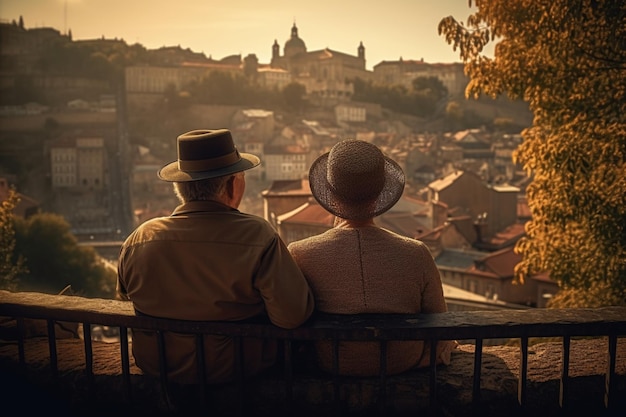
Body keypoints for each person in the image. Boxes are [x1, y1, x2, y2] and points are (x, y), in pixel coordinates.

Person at [117, 129, 315, 385]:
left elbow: (123, 296)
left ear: (181, 188)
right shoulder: (257, 235)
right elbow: (293, 316)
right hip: (237, 368)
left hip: (159, 366)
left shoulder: (140, 238)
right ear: (233, 184)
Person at [288, 139, 457, 376]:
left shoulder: (300, 253)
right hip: (402, 363)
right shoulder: (416, 253)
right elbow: (440, 325)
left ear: (331, 197)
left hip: (333, 364)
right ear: (379, 195)